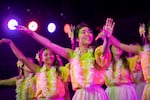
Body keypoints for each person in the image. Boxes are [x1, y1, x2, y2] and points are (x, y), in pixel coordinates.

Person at [16, 18, 115, 100]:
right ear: (77, 38)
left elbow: (104, 54)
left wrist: (107, 39)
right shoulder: (71, 54)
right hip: (80, 95)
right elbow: (49, 44)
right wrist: (31, 33)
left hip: (97, 94)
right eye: (83, 32)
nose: (87, 34)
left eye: (89, 32)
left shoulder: (96, 51)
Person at [0, 38, 70, 100]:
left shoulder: (61, 70)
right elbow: (22, 58)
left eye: (51, 54)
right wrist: (10, 43)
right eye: (46, 55)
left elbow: (66, 91)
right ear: (41, 59)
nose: (49, 56)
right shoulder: (39, 70)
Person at [108, 22, 150, 100]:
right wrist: (109, 36)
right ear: (148, 35)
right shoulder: (142, 50)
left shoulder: (129, 61)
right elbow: (119, 44)